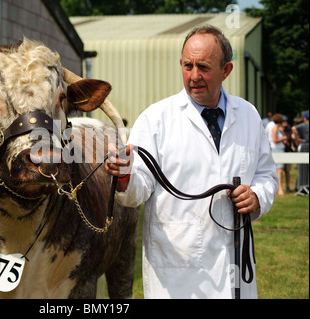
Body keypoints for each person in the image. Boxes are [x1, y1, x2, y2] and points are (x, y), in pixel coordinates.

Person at [105, 25, 278, 299]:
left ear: (226, 70)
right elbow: (138, 189)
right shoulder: (156, 120)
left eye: (204, 67)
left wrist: (257, 196)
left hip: (234, 267)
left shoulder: (248, 115)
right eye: (188, 65)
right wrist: (124, 175)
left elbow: (266, 175)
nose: (194, 76)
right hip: (178, 276)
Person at [267, 113, 289, 195]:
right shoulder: (275, 128)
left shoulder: (276, 127)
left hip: (277, 149)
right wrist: (283, 138)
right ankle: (279, 189)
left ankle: (278, 189)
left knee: (278, 170)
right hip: (277, 150)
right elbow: (275, 140)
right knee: (279, 170)